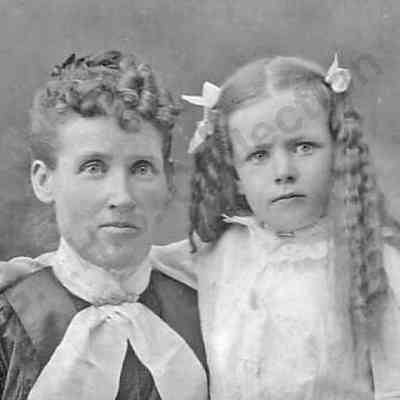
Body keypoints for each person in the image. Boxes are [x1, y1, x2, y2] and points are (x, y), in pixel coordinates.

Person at [149, 55, 400, 399]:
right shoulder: (216, 254)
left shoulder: (375, 264)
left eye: (303, 147)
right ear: (236, 175)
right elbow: (132, 266)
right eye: (259, 155)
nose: (283, 171)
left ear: (338, 153)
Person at [0, 50, 207, 400]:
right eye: (93, 167)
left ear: (168, 180)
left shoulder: (205, 312)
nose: (122, 197)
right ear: (44, 180)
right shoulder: (11, 320)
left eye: (142, 168)